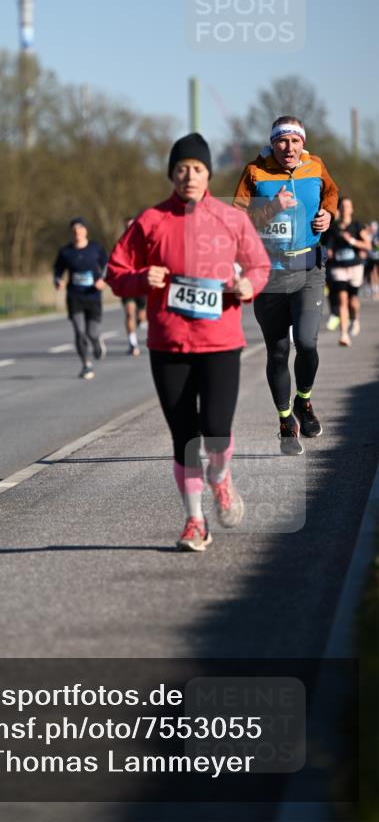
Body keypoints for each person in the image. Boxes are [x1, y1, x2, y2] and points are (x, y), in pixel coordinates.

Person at [107, 134, 270, 551]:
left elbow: (259, 265)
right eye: (181, 169)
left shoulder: (231, 219)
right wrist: (141, 278)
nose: (189, 176)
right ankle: (195, 521)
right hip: (169, 344)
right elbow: (116, 271)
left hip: (219, 342)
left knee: (215, 431)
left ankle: (221, 479)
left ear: (208, 174)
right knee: (184, 436)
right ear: (171, 175)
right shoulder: (151, 220)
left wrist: (246, 284)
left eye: (197, 169)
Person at [233, 116, 338, 455]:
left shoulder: (315, 165)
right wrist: (272, 207)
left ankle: (304, 402)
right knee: (278, 351)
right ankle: (284, 419)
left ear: (302, 143)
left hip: (308, 268)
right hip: (270, 274)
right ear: (273, 143)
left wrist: (329, 214)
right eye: (282, 141)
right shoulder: (255, 172)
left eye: (294, 141)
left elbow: (332, 193)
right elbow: (238, 222)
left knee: (306, 342)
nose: (288, 148)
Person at [54, 217, 108, 379]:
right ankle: (86, 364)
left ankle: (96, 341)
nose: (77, 232)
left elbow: (107, 266)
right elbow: (57, 269)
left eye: (80, 228)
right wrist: (58, 280)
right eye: (74, 229)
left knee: (91, 333)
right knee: (79, 331)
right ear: (72, 232)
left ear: (86, 231)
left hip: (93, 295)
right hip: (74, 296)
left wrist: (103, 280)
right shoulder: (66, 252)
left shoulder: (96, 249)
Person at [327, 197, 371, 346]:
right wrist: (329, 252)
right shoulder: (333, 228)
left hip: (355, 267)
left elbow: (368, 246)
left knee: (353, 301)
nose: (345, 209)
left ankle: (355, 318)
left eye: (348, 206)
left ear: (352, 209)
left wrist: (352, 241)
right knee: (342, 300)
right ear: (339, 209)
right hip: (338, 268)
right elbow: (329, 247)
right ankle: (344, 334)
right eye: (343, 206)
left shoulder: (357, 225)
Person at [121, 216, 148, 356]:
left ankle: (140, 319)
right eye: (127, 227)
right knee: (129, 312)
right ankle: (133, 343)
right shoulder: (121, 245)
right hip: (127, 284)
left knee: (142, 315)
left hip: (142, 283)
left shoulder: (144, 242)